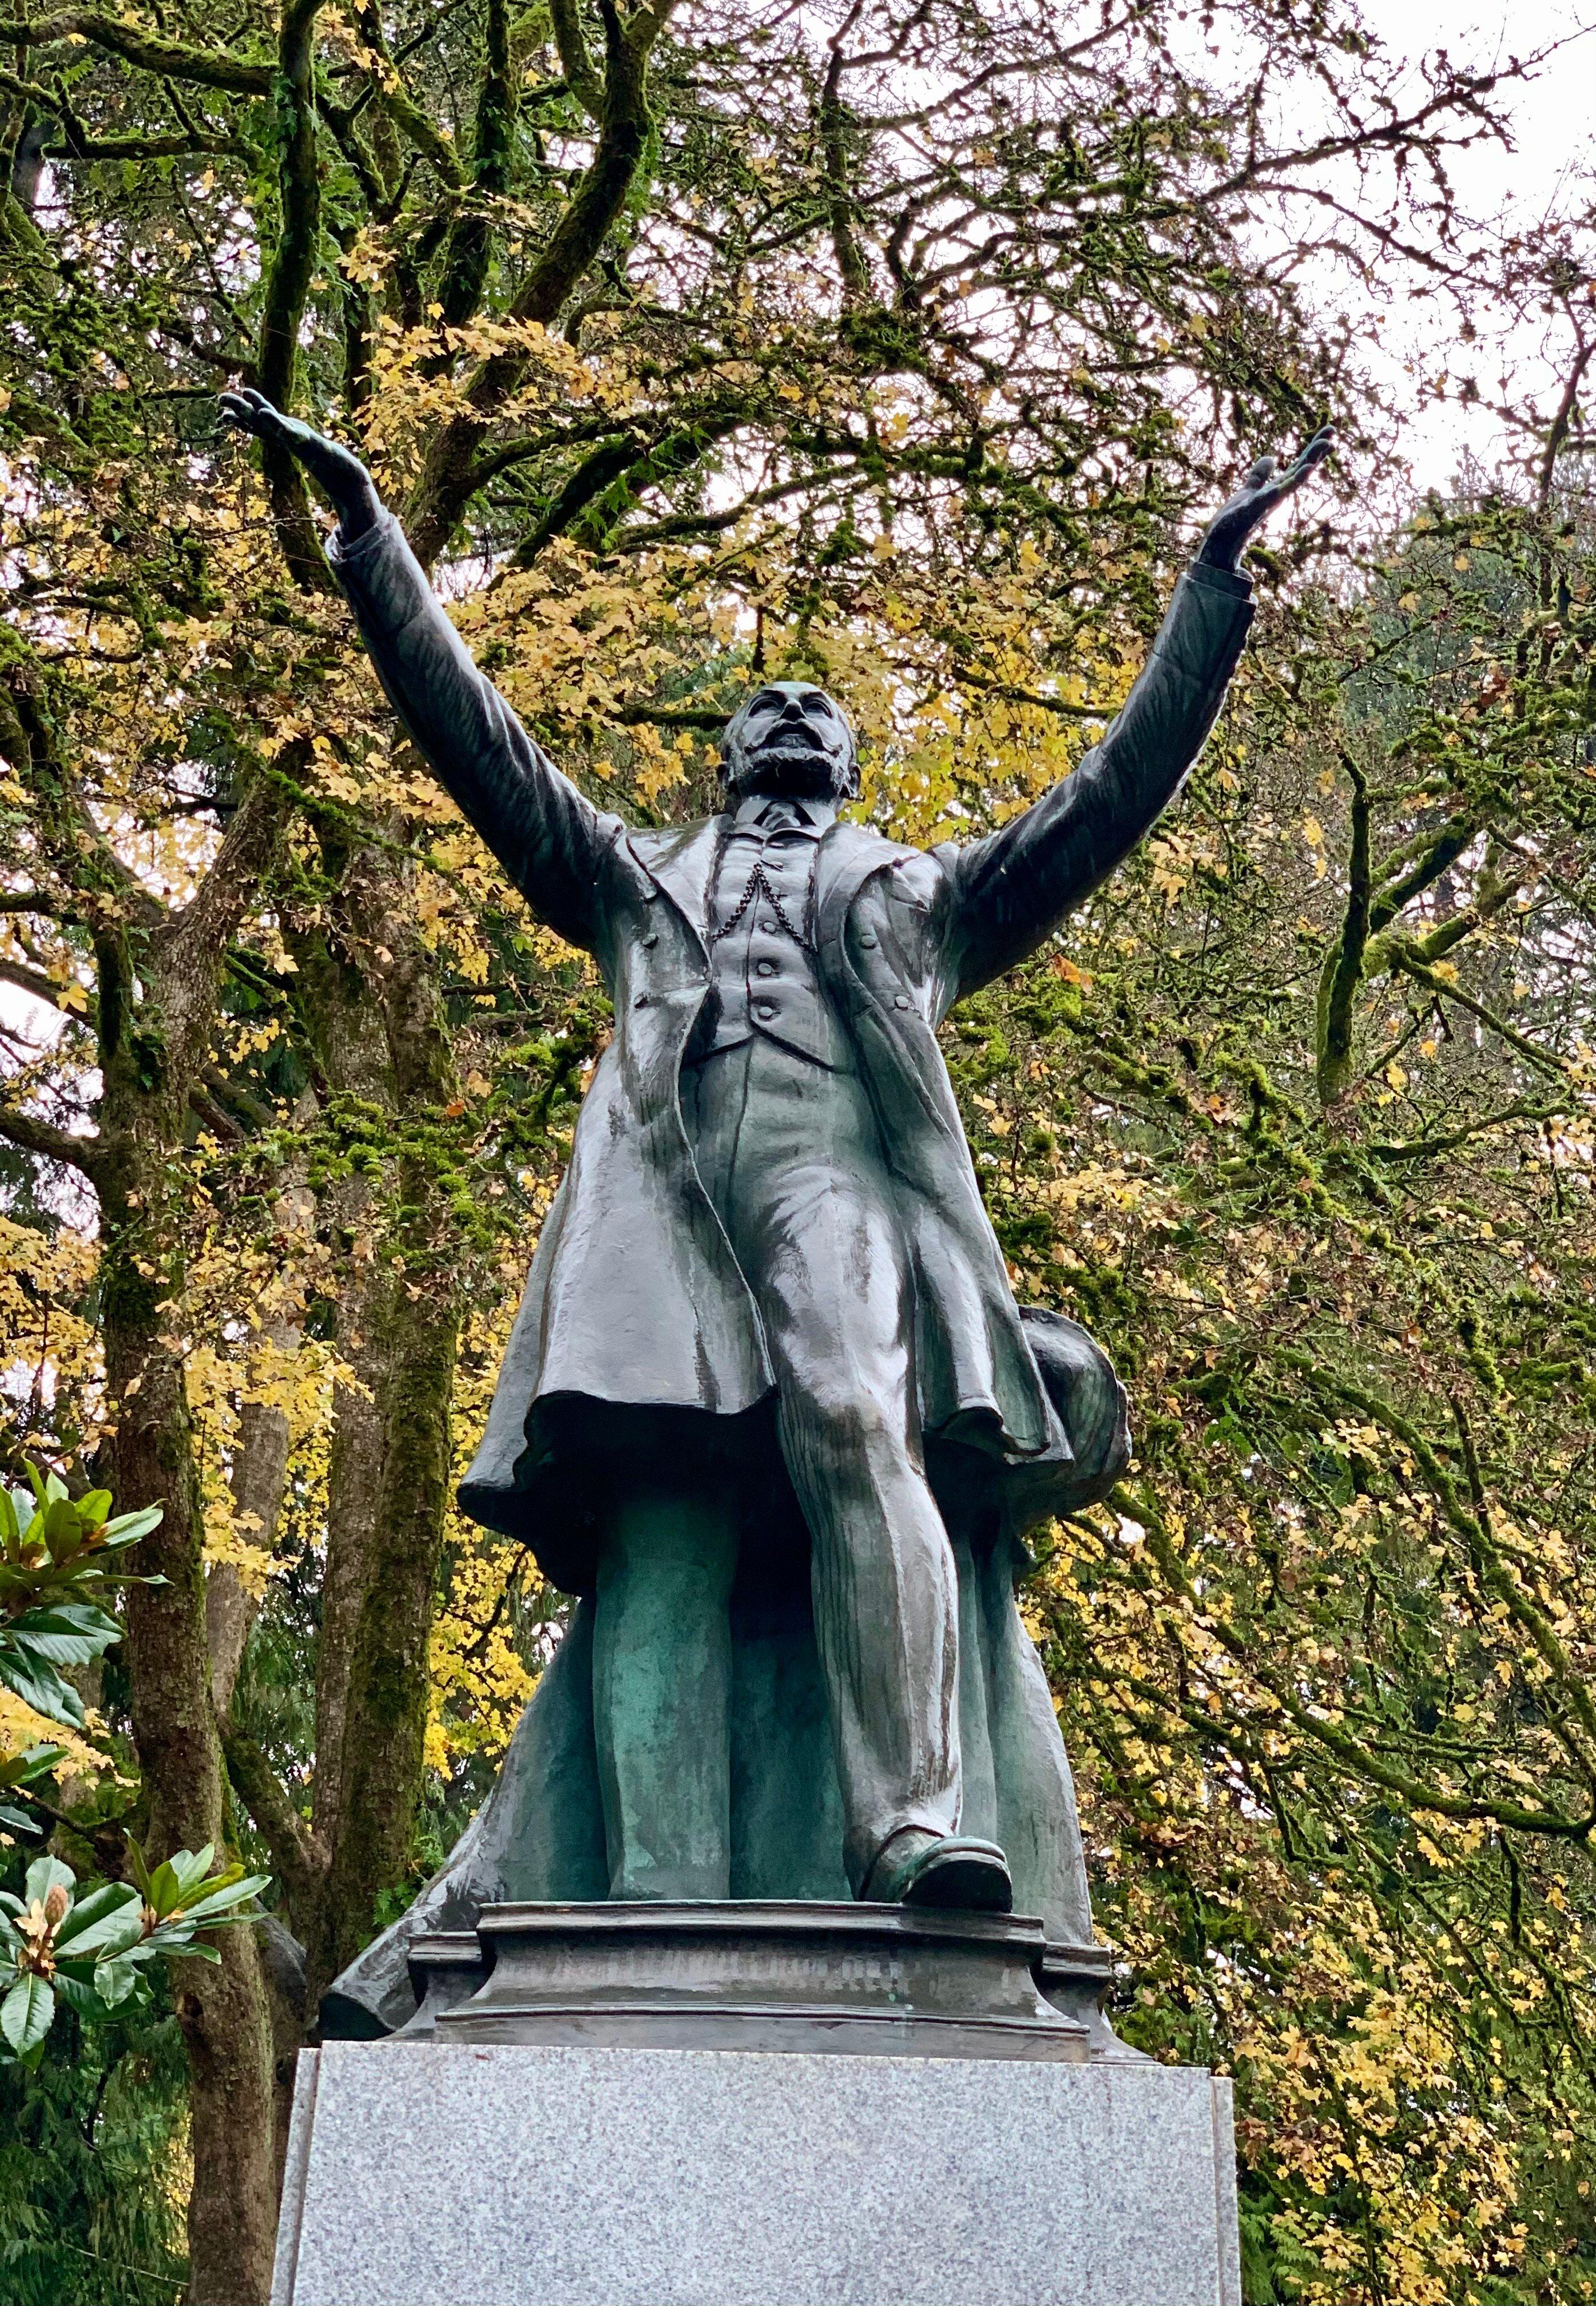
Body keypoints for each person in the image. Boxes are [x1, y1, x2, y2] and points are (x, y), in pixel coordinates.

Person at [220, 390, 1330, 1940]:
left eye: (824, 714)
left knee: (858, 1419)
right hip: (659, 1203)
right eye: (767, 713)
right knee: (655, 1520)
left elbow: (1104, 804)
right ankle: (653, 1896)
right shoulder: (631, 879)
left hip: (840, 1193)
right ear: (727, 758)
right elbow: (483, 749)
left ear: (853, 766)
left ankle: (912, 1828)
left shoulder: (925, 895)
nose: (795, 719)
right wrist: (369, 544)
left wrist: (1211, 599)